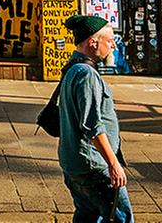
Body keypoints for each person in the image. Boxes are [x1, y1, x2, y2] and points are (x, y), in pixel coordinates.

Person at [57, 14, 132, 223]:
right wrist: (113, 164)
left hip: (75, 162)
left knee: (88, 216)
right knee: (120, 218)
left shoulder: (73, 68)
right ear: (93, 42)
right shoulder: (86, 75)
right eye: (110, 41)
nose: (113, 46)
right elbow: (92, 126)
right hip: (94, 166)